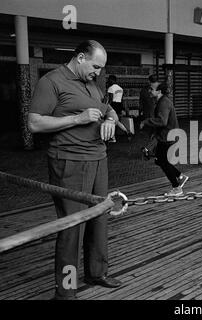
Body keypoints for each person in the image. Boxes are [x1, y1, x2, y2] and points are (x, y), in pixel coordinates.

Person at [28, 40, 122, 300]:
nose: (99, 73)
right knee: (72, 227)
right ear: (80, 57)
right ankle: (66, 291)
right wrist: (77, 119)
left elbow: (109, 109)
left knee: (99, 218)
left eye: (102, 68)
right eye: (95, 66)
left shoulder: (92, 83)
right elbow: (34, 124)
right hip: (69, 161)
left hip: (98, 158)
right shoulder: (52, 81)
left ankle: (96, 272)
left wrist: (111, 121)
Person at [139, 82, 188, 196]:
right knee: (160, 161)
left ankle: (177, 188)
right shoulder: (162, 101)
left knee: (162, 162)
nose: (150, 91)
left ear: (159, 91)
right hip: (166, 136)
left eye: (152, 89)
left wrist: (145, 121)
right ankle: (180, 176)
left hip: (168, 138)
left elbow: (162, 121)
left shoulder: (164, 102)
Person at [106, 75, 132, 141]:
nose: (108, 81)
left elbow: (110, 99)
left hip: (113, 105)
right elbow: (122, 99)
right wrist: (123, 107)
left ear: (112, 80)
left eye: (109, 80)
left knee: (111, 120)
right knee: (116, 120)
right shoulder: (120, 88)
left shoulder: (111, 88)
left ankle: (113, 137)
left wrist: (107, 106)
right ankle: (126, 131)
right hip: (119, 105)